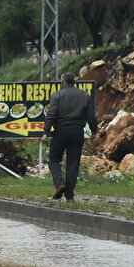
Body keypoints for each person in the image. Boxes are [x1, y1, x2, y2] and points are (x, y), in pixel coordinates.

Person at [41, 72, 99, 201]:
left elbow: (51, 114)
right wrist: (94, 131)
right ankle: (70, 195)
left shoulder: (57, 95)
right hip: (77, 132)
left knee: (54, 160)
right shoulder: (84, 95)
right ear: (74, 82)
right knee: (73, 163)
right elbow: (91, 115)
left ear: (62, 82)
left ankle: (59, 184)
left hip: (60, 131)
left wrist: (45, 131)